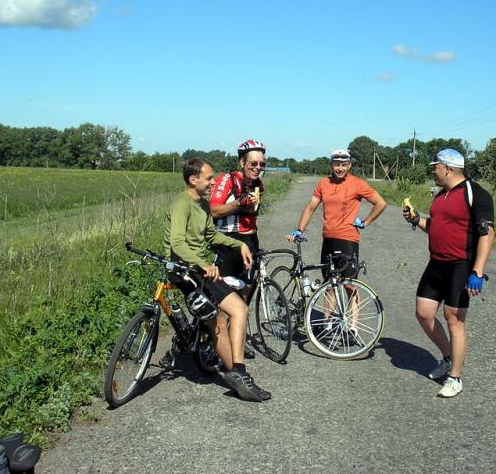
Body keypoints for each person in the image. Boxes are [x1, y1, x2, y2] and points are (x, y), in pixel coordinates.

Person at [164, 157, 271, 402]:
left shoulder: (201, 205)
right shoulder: (182, 204)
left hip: (201, 269)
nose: (213, 182)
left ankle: (236, 373)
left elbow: (212, 236)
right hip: (188, 270)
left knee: (225, 317)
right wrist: (200, 263)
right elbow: (177, 243)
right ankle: (238, 373)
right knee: (234, 311)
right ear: (193, 179)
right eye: (209, 178)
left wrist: (238, 245)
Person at [402, 148, 495, 398]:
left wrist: (477, 270)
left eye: (435, 167)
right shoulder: (441, 195)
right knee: (423, 312)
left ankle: (455, 376)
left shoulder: (476, 193)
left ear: (447, 167)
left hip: (461, 265)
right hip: (437, 263)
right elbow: (434, 227)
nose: (433, 170)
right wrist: (415, 219)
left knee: (453, 319)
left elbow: (488, 234)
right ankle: (446, 357)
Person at [286, 149, 387, 341]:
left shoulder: (357, 183)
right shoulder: (324, 183)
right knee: (329, 284)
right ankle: (327, 325)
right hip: (328, 238)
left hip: (348, 239)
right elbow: (311, 207)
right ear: (331, 165)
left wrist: (365, 222)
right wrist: (299, 229)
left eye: (343, 164)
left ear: (349, 165)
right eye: (336, 164)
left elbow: (380, 203)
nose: (339, 168)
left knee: (350, 285)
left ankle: (352, 329)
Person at [209, 139, 266, 358]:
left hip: (251, 240)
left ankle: (237, 339)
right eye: (253, 164)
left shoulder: (258, 183)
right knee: (224, 297)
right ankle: (216, 343)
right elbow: (213, 211)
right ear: (242, 161)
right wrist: (238, 203)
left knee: (245, 291)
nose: (257, 168)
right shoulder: (227, 179)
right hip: (228, 241)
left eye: (261, 164)